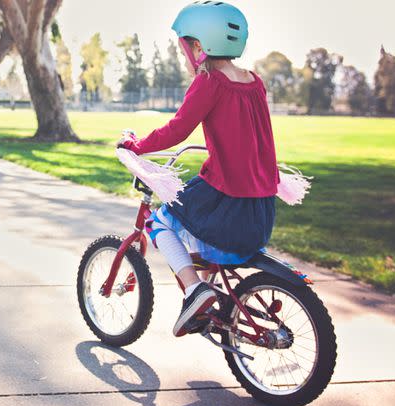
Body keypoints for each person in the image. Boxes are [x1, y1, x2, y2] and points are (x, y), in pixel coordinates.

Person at [119, 1, 279, 337]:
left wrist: (136, 145)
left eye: (184, 49)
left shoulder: (210, 81)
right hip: (260, 207)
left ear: (198, 46)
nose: (185, 57)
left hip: (228, 199)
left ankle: (194, 289)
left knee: (159, 221)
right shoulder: (254, 81)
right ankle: (211, 305)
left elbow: (177, 129)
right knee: (196, 223)